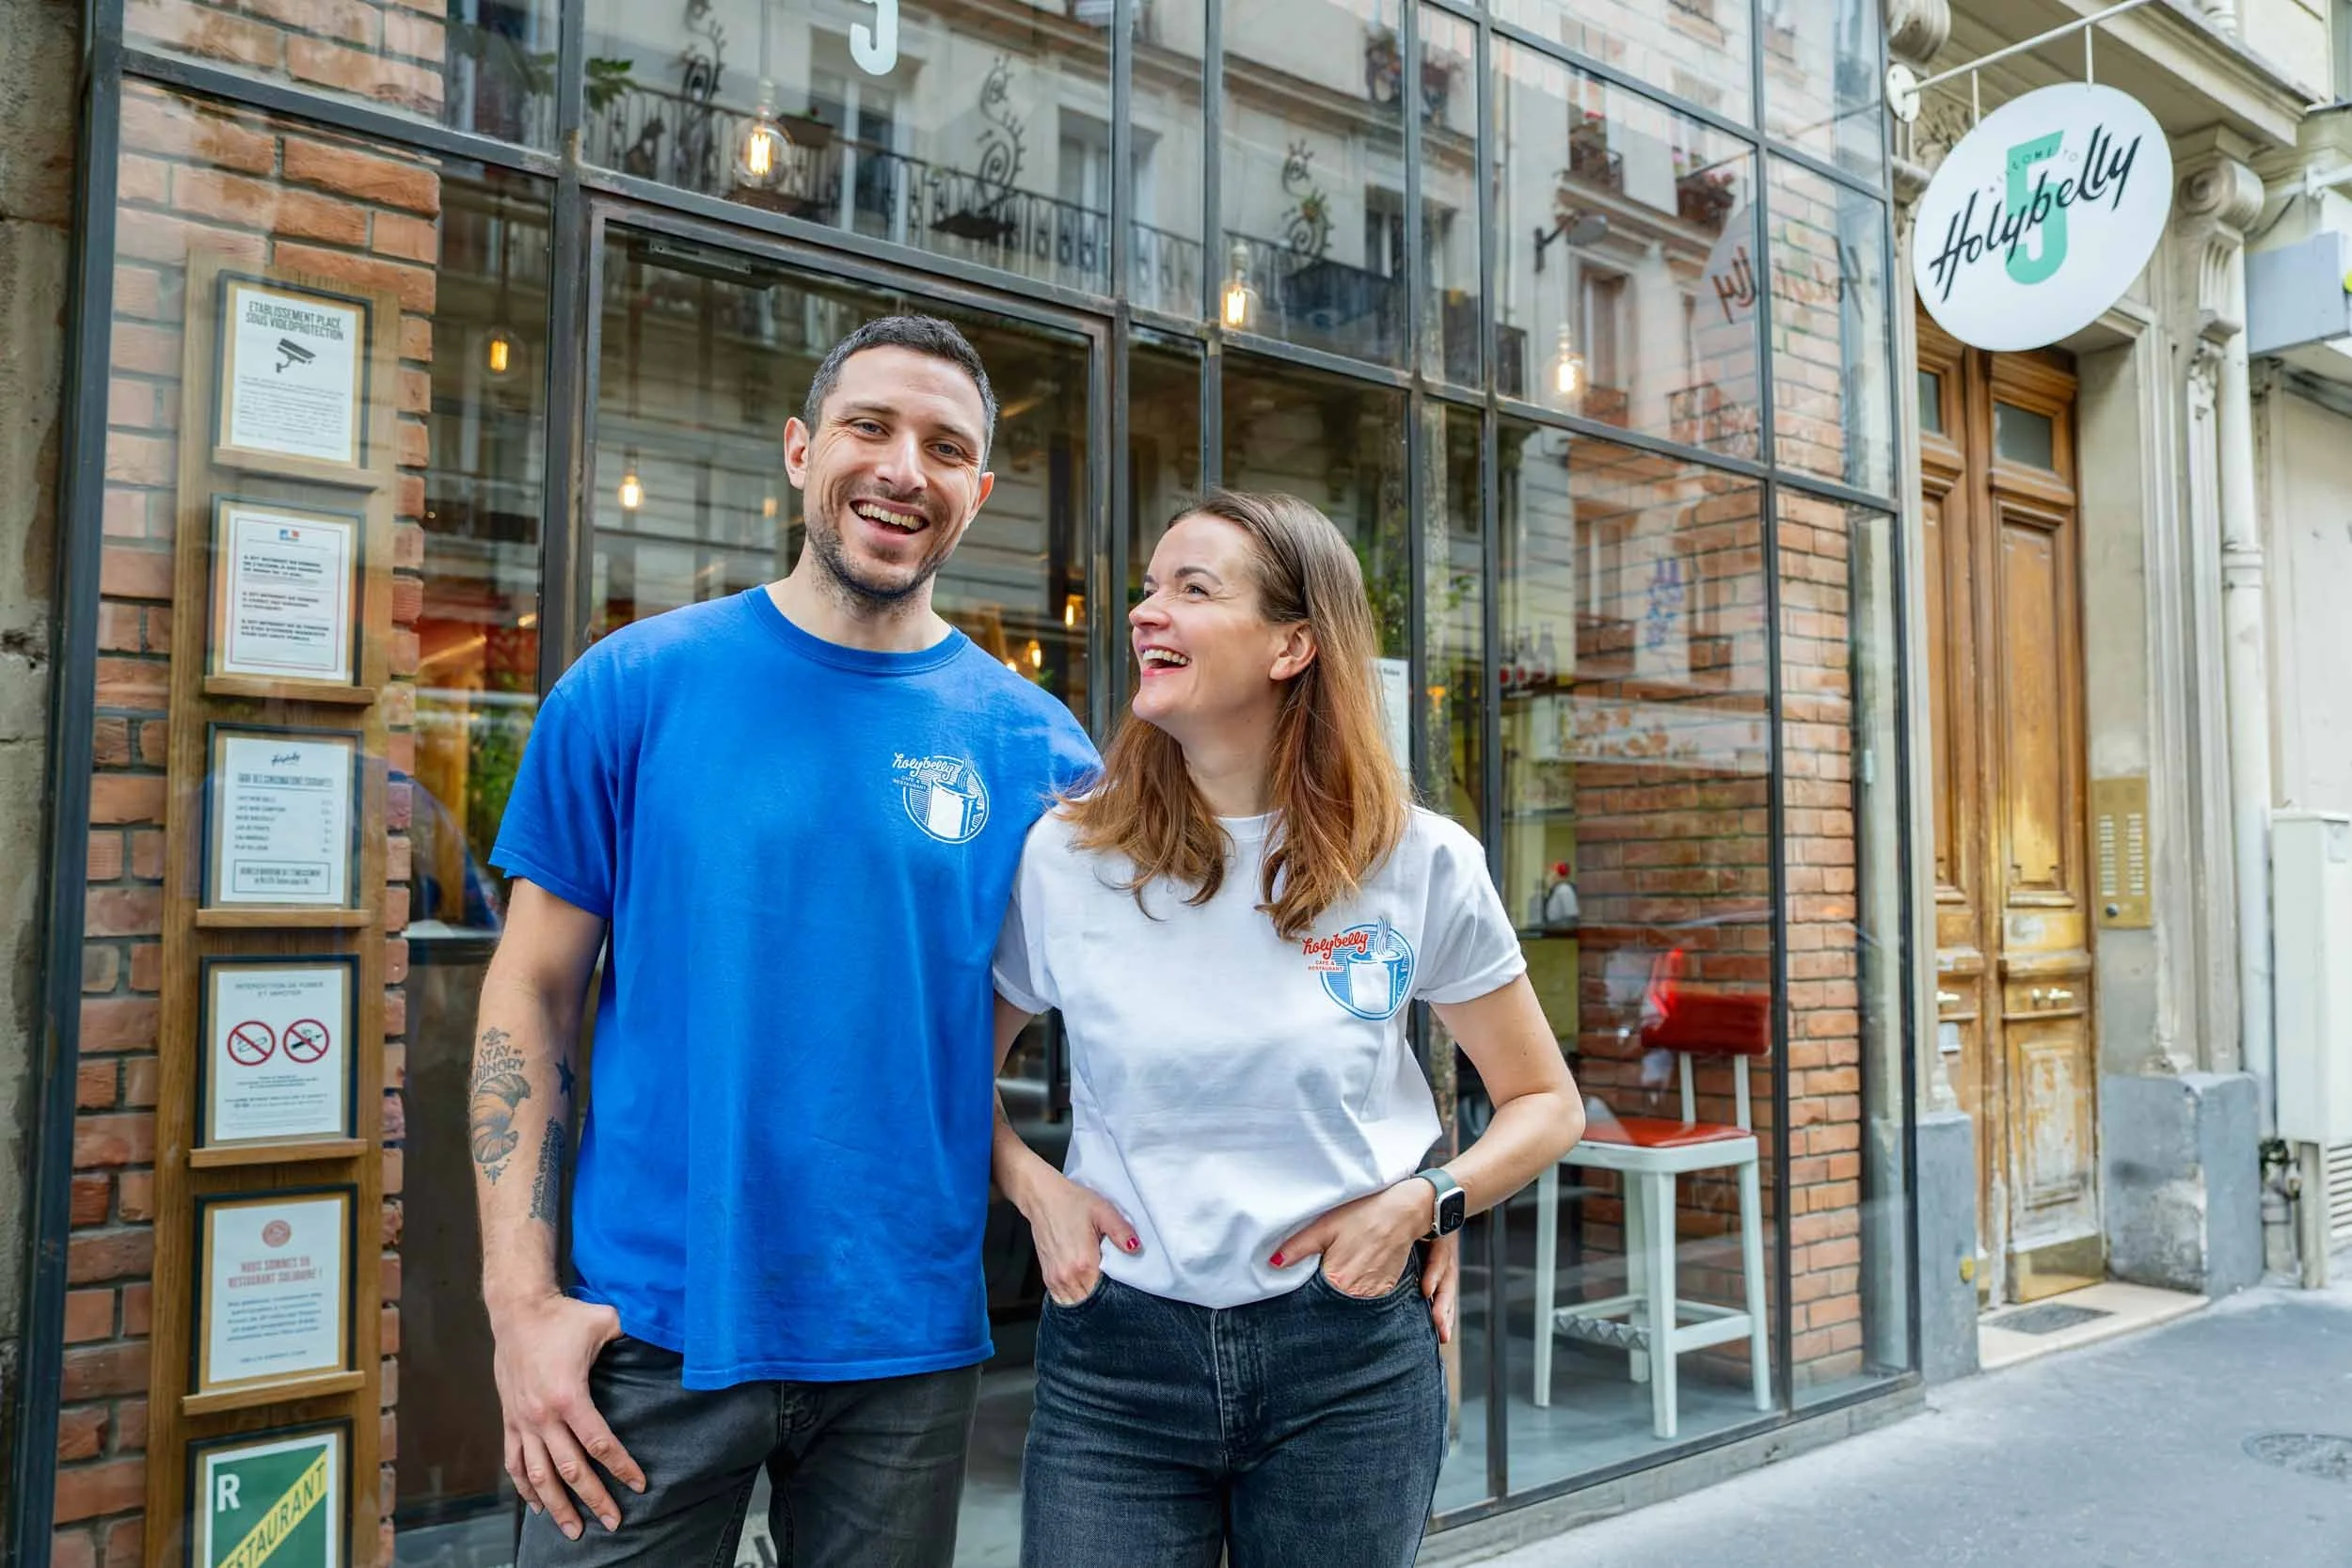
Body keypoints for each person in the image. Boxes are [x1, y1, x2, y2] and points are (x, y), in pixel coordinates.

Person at [469, 315, 1098, 1566]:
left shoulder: (1040, 754)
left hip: (903, 1341)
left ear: (978, 492)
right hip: (643, 1326)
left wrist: (1415, 1202)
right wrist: (519, 1302)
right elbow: (530, 994)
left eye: (945, 447)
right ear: (802, 450)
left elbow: (1139, 1014)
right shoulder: (632, 688)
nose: (903, 468)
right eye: (871, 427)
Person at [990, 489, 1587, 1567]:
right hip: (1116, 1357)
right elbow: (950, 1072)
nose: (1144, 610)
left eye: (1192, 588)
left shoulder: (1416, 858)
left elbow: (1545, 1103)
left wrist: (1422, 1202)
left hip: (1345, 1353)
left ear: (1292, 645)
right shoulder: (1067, 855)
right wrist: (1035, 1187)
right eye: (1148, 587)